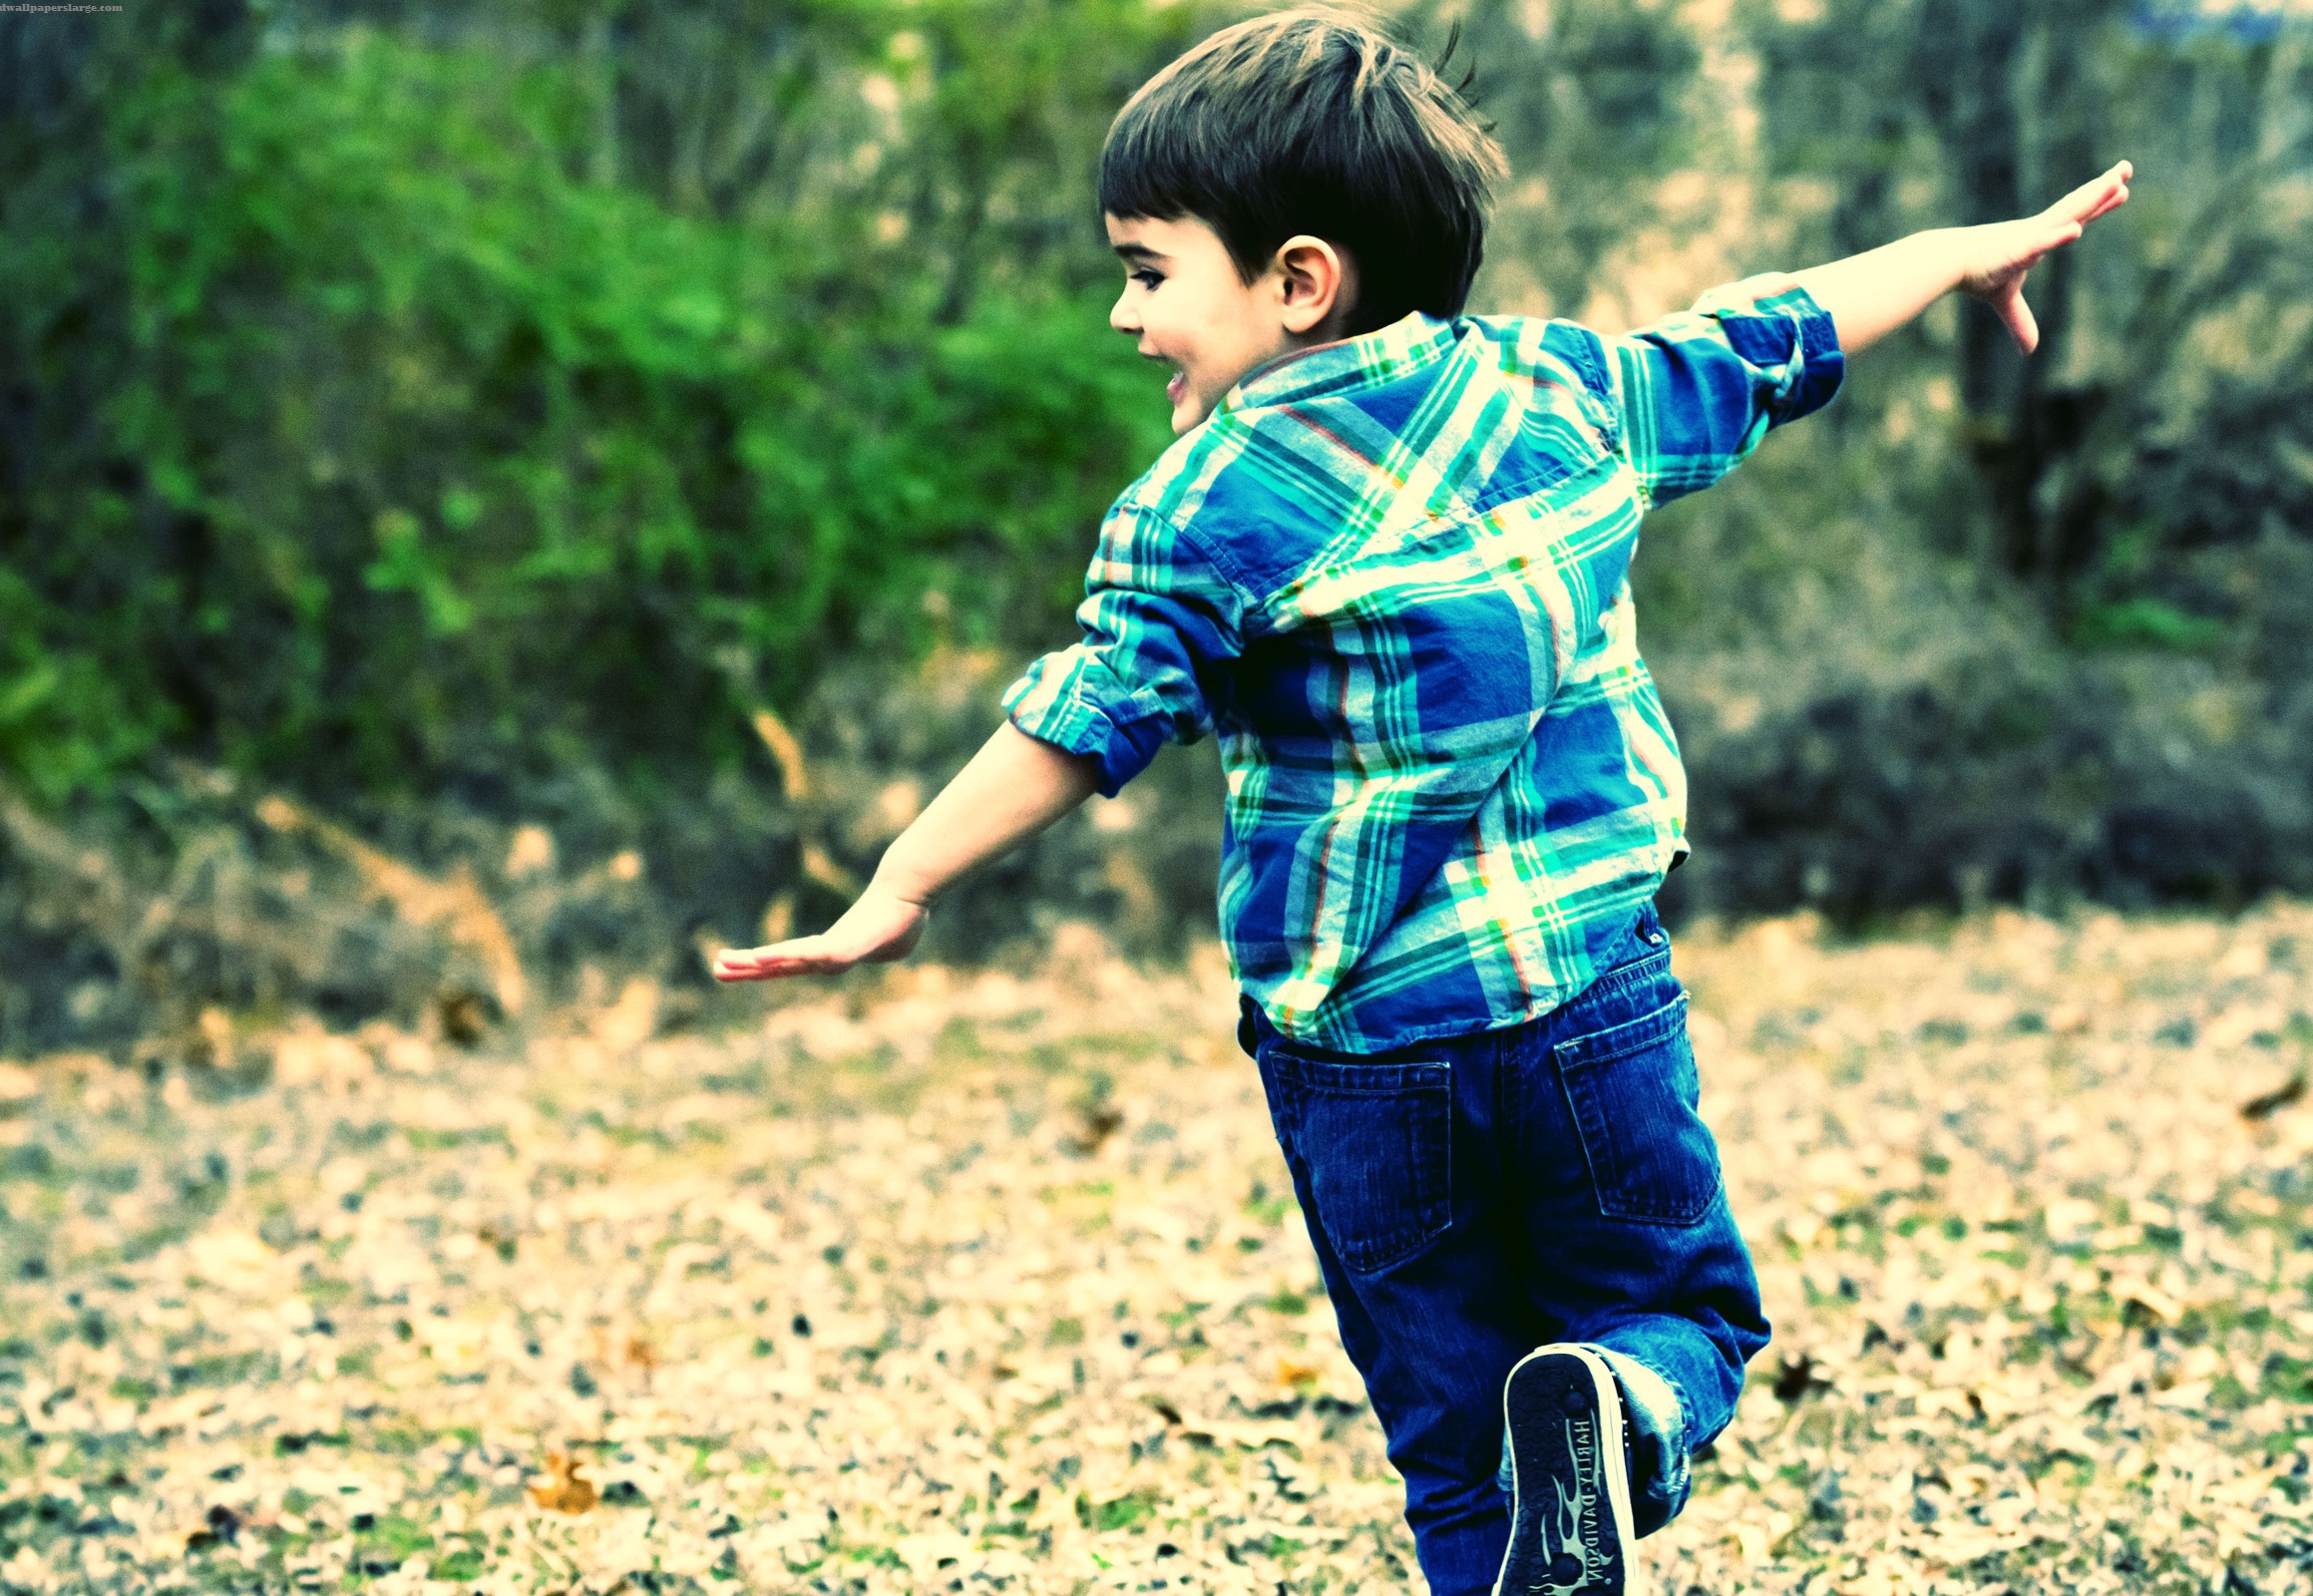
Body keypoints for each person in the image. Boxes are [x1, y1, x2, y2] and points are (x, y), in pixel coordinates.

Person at [714, 11, 2129, 1592]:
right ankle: (1628, 1403)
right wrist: (1951, 253)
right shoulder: (1561, 391)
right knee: (1688, 1320)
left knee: (1459, 1463)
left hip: (1364, 1058)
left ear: (1298, 281)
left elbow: (1087, 716)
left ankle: (1555, 1455)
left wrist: (902, 878)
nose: (1125, 317)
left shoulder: (1195, 509)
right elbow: (1770, 332)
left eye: (1148, 270)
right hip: (1590, 1003)